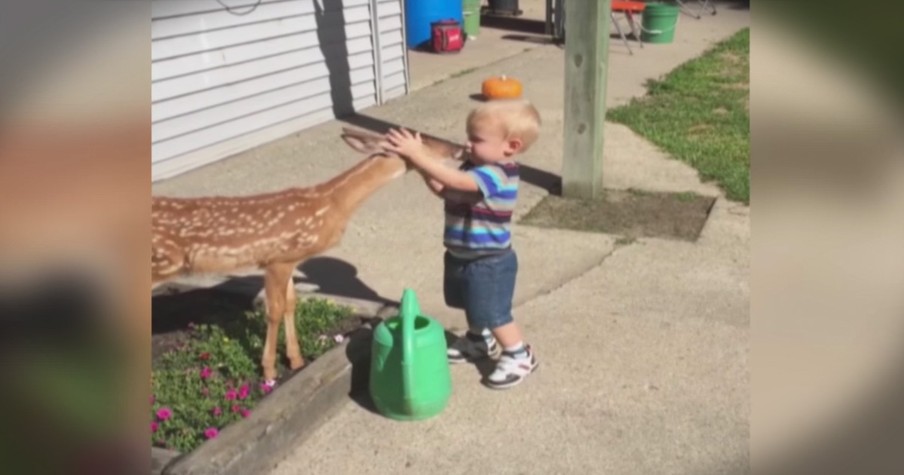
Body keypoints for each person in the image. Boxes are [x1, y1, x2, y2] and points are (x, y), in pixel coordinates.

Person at [381, 99, 541, 389]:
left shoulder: (499, 173)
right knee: (469, 302)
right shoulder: (474, 166)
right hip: (461, 253)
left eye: (477, 139)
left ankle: (518, 354)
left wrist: (419, 155)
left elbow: (457, 181)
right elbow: (446, 189)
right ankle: (479, 341)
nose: (467, 144)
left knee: (493, 312)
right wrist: (420, 166)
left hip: (489, 261)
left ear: (511, 146)